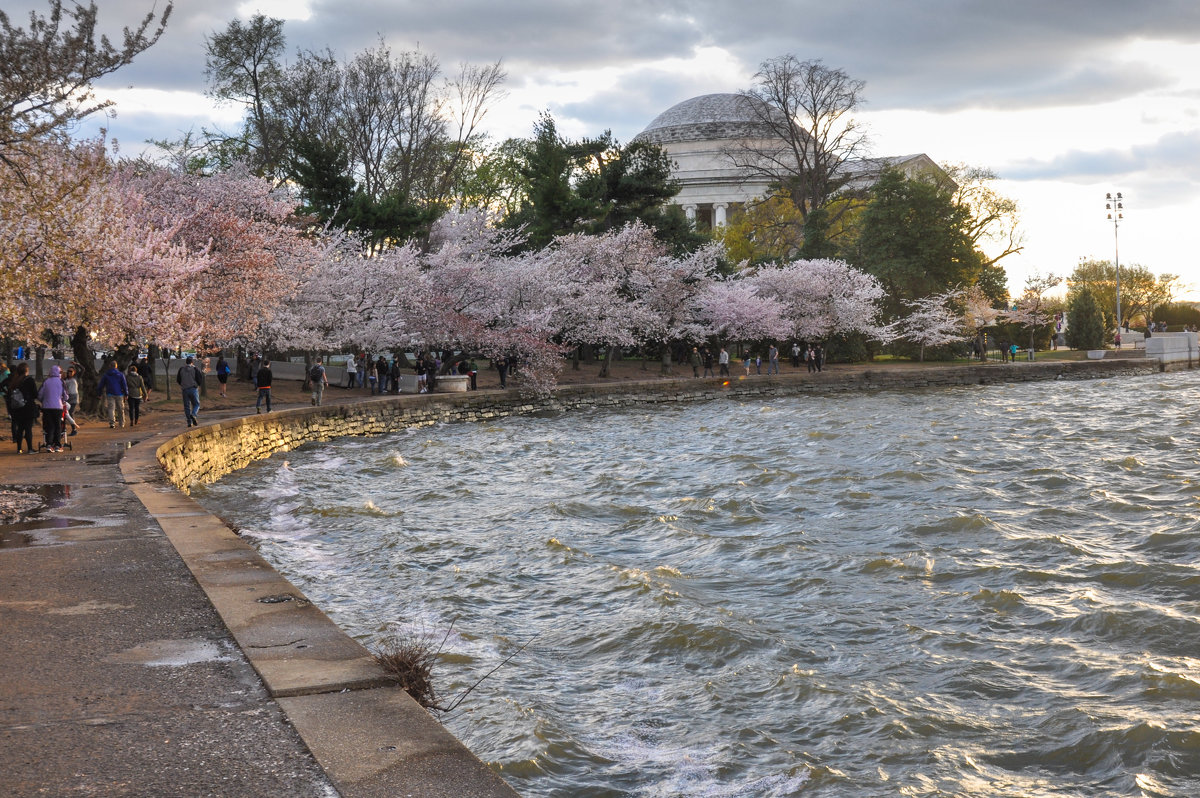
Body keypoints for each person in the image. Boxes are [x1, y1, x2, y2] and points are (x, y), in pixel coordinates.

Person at [6, 363, 37, 453]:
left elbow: (9, 394)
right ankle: (30, 448)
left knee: (20, 428)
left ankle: (19, 448)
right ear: (26, 370)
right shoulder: (29, 380)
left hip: (17, 408)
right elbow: (35, 394)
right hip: (28, 407)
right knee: (28, 428)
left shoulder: (14, 381)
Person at [37, 365, 68, 451]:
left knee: (49, 426)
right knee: (58, 426)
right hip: (58, 407)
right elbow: (65, 395)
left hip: (46, 407)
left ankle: (49, 444)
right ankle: (57, 445)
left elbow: (39, 394)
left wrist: (43, 400)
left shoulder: (46, 381)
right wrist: (63, 400)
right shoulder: (61, 382)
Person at [98, 359, 128, 428]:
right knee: (120, 408)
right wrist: (126, 393)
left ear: (110, 366)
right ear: (116, 366)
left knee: (111, 408)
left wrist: (99, 393)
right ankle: (122, 423)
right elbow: (124, 385)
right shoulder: (120, 374)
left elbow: (101, 385)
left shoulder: (106, 375)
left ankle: (112, 423)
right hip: (119, 393)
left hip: (110, 393)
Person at [177, 355, 204, 426]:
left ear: (186, 362)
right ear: (192, 362)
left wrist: (183, 384)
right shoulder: (195, 369)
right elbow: (199, 379)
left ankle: (189, 422)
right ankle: (194, 414)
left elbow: (178, 380)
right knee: (196, 404)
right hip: (193, 389)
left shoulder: (181, 369)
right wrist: (197, 384)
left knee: (187, 406)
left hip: (184, 390)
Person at [62, 365, 81, 436]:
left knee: (70, 412)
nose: (69, 372)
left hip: (74, 397)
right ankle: (63, 429)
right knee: (64, 413)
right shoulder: (65, 379)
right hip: (67, 397)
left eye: (71, 371)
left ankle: (74, 429)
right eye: (68, 371)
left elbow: (83, 369)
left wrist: (76, 364)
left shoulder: (75, 378)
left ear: (74, 372)